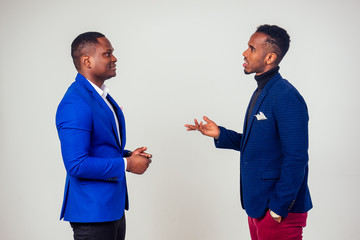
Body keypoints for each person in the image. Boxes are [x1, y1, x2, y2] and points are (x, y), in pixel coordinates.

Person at [185, 25, 312, 239]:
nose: (245, 53)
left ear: (270, 57)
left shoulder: (286, 96)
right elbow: (261, 143)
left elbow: (296, 158)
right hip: (258, 206)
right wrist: (220, 134)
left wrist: (278, 208)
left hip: (279, 211)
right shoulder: (263, 91)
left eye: (251, 49)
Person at [56, 31, 152, 240]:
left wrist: (128, 155)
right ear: (87, 61)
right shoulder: (76, 102)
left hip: (111, 209)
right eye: (107, 54)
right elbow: (76, 164)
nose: (114, 58)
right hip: (92, 214)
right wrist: (126, 164)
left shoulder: (101, 97)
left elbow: (100, 145)